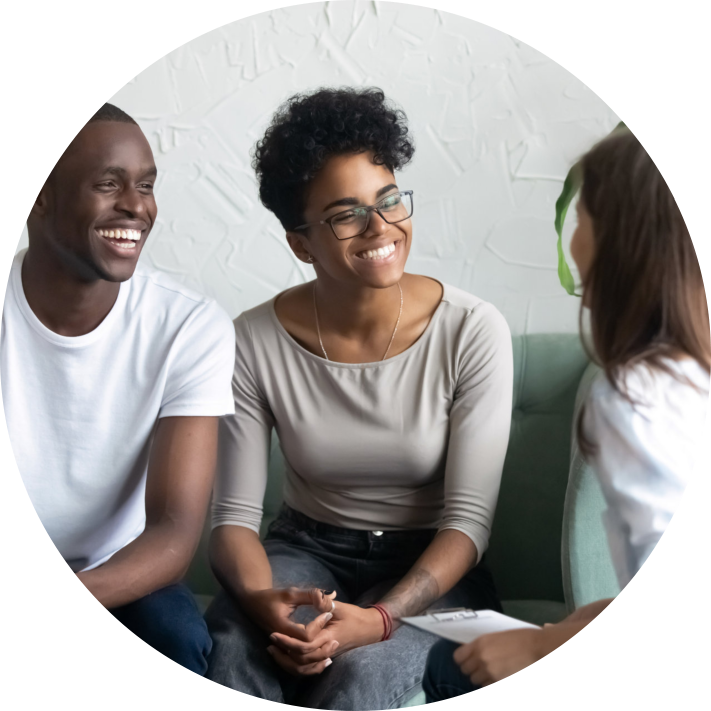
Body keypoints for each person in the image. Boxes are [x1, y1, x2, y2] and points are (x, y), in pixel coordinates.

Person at [203, 87, 514, 709]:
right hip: (304, 547)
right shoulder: (252, 338)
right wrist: (263, 602)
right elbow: (233, 518)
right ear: (301, 243)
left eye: (389, 199)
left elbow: (468, 524)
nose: (380, 228)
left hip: (430, 565)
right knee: (239, 648)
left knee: (361, 677)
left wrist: (379, 619)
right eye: (346, 214)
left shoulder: (472, 329)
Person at [423, 127, 710, 695]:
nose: (570, 234)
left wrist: (539, 645)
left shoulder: (640, 394)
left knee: (447, 670)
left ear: (625, 238)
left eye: (585, 214)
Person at [0, 103, 236, 675]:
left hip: (123, 572)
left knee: (176, 636)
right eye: (109, 184)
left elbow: (176, 534)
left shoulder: (190, 326)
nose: (136, 206)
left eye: (146, 186)